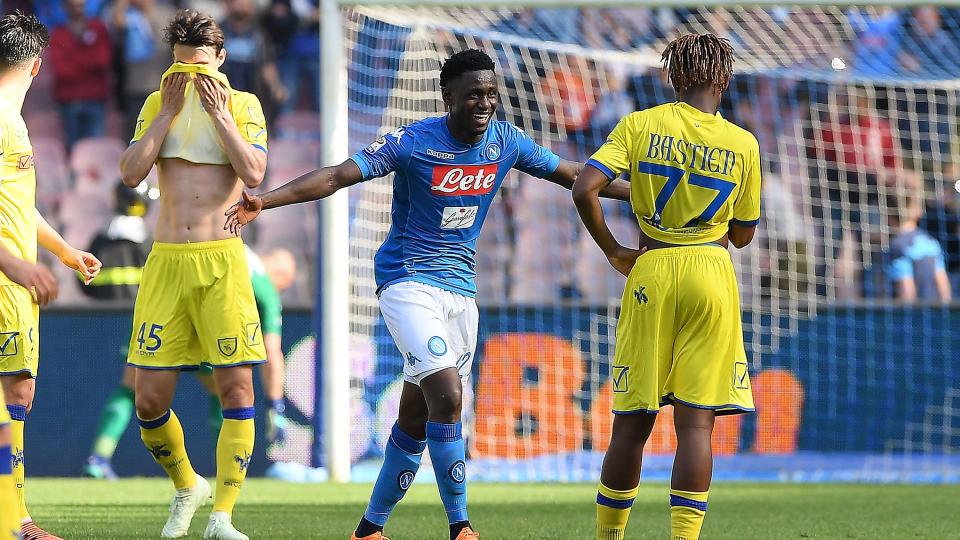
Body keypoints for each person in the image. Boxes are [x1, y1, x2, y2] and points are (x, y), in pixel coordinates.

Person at [225, 48, 630, 540]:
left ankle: (369, 529)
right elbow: (336, 176)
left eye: (490, 95)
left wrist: (643, 193)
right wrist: (264, 201)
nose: (484, 104)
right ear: (448, 97)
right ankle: (461, 526)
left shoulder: (505, 141)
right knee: (449, 393)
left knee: (416, 416)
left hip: (460, 292)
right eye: (473, 95)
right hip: (407, 281)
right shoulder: (415, 143)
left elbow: (573, 174)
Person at [572, 34, 759, 540]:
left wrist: (614, 250)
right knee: (697, 425)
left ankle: (609, 537)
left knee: (632, 422)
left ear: (672, 78)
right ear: (724, 78)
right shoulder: (743, 143)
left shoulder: (639, 125)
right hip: (711, 274)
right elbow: (742, 236)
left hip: (651, 267)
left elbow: (584, 187)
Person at [117, 9, 268, 540]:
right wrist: (167, 114)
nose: (192, 79)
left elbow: (254, 174)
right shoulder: (159, 102)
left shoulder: (245, 106)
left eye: (202, 68)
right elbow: (133, 173)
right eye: (182, 68)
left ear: (222, 60)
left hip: (221, 260)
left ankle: (222, 517)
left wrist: (221, 116)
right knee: (149, 400)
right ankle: (188, 485)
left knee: (236, 387)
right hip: (165, 264)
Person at [0, 11, 102, 540]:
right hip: (3, 281)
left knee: (17, 395)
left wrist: (64, 250)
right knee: (6, 402)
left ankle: (15, 518)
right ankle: (11, 523)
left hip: (15, 287)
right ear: (39, 64)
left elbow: (20, 205)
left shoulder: (13, 122)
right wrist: (14, 262)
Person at [83, 245, 296, 480]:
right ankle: (225, 471)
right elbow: (273, 352)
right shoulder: (264, 285)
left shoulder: (228, 244)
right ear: (281, 276)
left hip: (163, 294)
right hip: (208, 313)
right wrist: (276, 405)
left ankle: (99, 458)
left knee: (132, 385)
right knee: (224, 389)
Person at [49, 0, 112, 149]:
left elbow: (103, 61)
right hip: (68, 100)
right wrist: (89, 60)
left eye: (80, 5)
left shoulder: (98, 28)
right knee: (73, 151)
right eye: (73, 6)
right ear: (65, 7)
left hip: (95, 98)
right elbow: (61, 70)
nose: (77, 9)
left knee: (96, 148)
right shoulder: (58, 34)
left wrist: (73, 58)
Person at [886, 189, 952, 303]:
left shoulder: (897, 246)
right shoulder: (931, 242)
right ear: (918, 213)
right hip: (934, 313)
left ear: (888, 215)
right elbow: (942, 284)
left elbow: (906, 289)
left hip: (915, 316)